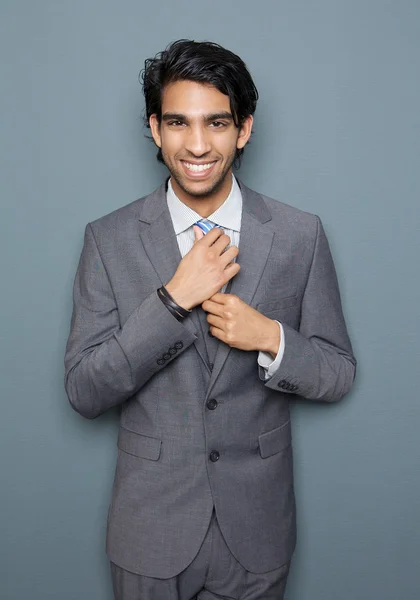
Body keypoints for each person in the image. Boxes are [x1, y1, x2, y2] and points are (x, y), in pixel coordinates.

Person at [64, 39, 356, 600]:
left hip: (259, 531)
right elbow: (83, 390)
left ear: (244, 129)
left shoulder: (301, 235)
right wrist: (171, 303)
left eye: (216, 123)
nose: (197, 144)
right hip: (150, 531)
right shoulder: (108, 239)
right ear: (154, 128)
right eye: (178, 122)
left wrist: (269, 337)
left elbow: (338, 372)